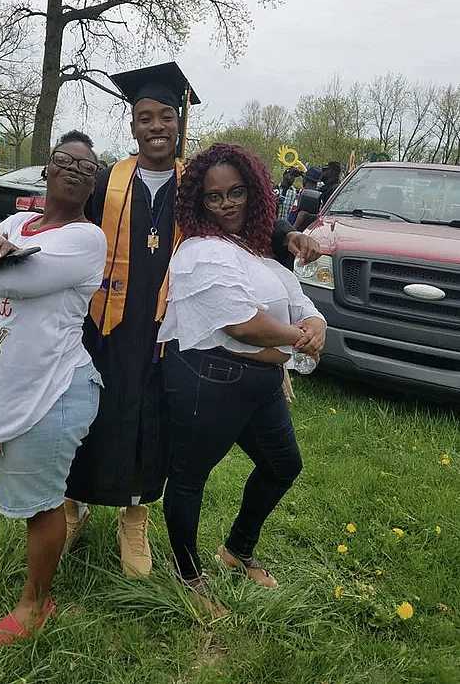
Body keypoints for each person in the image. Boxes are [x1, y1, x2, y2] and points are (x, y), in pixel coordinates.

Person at [64, 63, 323, 578]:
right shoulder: (105, 182)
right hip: (108, 320)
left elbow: (240, 218)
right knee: (94, 410)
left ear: (179, 123)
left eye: (166, 116)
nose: (156, 127)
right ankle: (73, 504)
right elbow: (63, 220)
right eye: (145, 118)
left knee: (150, 419)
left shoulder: (196, 182)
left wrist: (286, 236)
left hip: (166, 325)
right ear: (132, 124)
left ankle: (133, 516)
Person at [0, 131, 107, 649]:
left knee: (38, 505)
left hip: (48, 389)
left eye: (88, 167)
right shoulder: (16, 222)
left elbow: (17, 281)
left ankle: (36, 601)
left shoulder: (86, 238)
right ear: (46, 170)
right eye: (65, 160)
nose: (75, 168)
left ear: (92, 184)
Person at [158, 144, 326, 613]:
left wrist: (317, 324)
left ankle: (236, 550)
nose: (227, 203)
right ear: (199, 203)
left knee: (282, 466)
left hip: (261, 385)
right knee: (190, 480)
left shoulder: (258, 252)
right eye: (214, 197)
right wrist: (299, 337)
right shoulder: (199, 251)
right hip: (208, 381)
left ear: (253, 193)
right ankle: (187, 574)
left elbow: (299, 301)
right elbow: (241, 323)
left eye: (236, 192)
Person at [290, 165, 322, 231]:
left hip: (297, 230)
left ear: (305, 179)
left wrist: (292, 230)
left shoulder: (307, 195)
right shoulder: (318, 195)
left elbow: (302, 214)